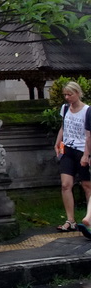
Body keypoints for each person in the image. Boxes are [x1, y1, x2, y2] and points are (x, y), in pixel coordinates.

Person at [55, 81, 91, 232]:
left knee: (87, 186)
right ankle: (70, 220)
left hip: (82, 149)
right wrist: (57, 143)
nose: (67, 97)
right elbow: (64, 126)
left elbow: (89, 135)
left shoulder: (87, 111)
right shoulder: (65, 109)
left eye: (70, 94)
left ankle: (89, 218)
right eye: (65, 95)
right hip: (68, 149)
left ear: (78, 93)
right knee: (66, 184)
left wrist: (86, 155)